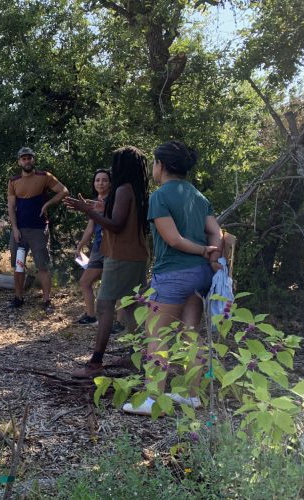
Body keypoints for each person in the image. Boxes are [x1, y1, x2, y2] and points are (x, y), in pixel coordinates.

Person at [122, 140, 223, 416]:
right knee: (191, 334)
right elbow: (217, 233)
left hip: (172, 275)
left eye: (155, 163)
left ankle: (153, 400)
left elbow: (173, 239)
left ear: (161, 165)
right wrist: (211, 258)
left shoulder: (160, 196)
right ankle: (192, 395)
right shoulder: (198, 197)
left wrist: (203, 249)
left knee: (157, 336)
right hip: (201, 276)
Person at [64, 146, 150, 379]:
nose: (112, 169)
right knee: (132, 307)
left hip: (121, 256)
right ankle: (138, 358)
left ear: (123, 166)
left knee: (104, 306)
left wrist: (87, 211)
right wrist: (99, 207)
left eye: (115, 164)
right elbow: (119, 217)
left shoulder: (123, 189)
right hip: (136, 255)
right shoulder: (135, 189)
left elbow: (116, 225)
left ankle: (95, 364)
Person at [7, 146, 69, 313]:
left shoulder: (44, 177)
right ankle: (18, 297)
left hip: (38, 229)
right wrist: (14, 228)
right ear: (19, 161)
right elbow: (11, 207)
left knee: (42, 266)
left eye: (29, 158)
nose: (27, 161)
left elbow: (64, 191)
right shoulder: (13, 181)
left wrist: (48, 204)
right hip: (19, 230)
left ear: (33, 160)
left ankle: (47, 300)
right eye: (24, 158)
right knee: (18, 266)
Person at [74, 169, 111, 324]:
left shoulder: (115, 201)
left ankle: (118, 321)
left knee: (112, 286)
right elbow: (90, 228)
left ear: (110, 183)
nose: (100, 183)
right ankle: (90, 316)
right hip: (97, 248)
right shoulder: (93, 202)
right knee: (85, 282)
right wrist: (80, 245)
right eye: (97, 180)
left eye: (104, 180)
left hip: (112, 249)